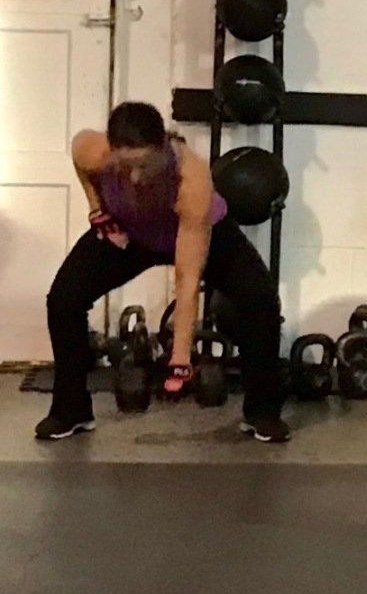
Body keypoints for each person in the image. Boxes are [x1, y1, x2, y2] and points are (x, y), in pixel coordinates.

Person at [38, 101, 288, 443]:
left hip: (198, 233)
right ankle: (70, 410)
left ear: (163, 148)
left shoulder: (192, 179)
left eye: (144, 164)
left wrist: (180, 356)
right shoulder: (93, 151)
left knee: (259, 299)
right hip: (132, 234)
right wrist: (97, 211)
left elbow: (187, 279)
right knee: (64, 299)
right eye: (126, 166)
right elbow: (79, 158)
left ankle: (262, 413)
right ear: (111, 151)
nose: (136, 176)